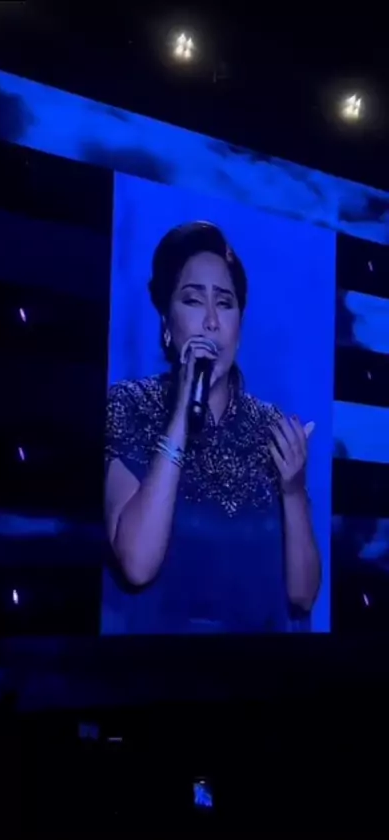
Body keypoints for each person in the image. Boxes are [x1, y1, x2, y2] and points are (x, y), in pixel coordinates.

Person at [103, 221, 321, 634]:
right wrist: (180, 418)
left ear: (239, 324)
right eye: (192, 300)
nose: (211, 322)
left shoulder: (270, 427)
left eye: (224, 303)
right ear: (166, 322)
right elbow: (136, 564)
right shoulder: (130, 405)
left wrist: (293, 490)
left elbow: (303, 595)